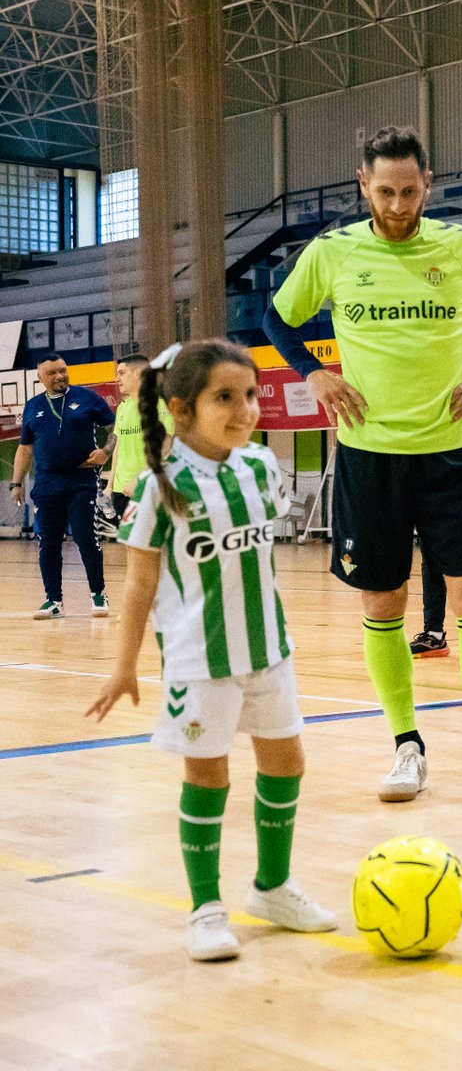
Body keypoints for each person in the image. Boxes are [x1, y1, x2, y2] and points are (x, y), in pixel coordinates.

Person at [262, 125, 462, 809]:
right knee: (382, 603)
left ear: (427, 183)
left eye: (409, 190)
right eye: (384, 191)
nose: (397, 203)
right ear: (364, 185)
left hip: (449, 453)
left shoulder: (461, 247)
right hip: (368, 456)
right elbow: (277, 319)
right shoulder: (332, 253)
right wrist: (314, 375)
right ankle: (406, 747)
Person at [86, 339, 336, 962]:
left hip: (270, 649)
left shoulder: (259, 468)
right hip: (200, 662)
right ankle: (204, 908)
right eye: (225, 397)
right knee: (210, 776)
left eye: (250, 395)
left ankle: (273, 887)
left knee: (287, 764)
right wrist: (123, 667)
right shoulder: (158, 487)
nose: (245, 409)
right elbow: (139, 582)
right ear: (180, 409)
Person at [410, 317, 462, 659]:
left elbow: (458, 387)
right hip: (427, 450)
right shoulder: (419, 328)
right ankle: (433, 633)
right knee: (431, 550)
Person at [9, 354, 115, 618]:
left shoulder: (88, 398)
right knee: (49, 542)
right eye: (52, 373)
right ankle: (53, 601)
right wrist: (16, 483)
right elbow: (24, 448)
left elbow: (115, 428)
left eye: (63, 371)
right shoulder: (33, 406)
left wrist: (106, 451)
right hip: (46, 484)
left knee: (85, 537)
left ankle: (98, 595)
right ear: (40, 378)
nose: (59, 377)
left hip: (81, 481)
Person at [109, 352, 175, 521]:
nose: (117, 379)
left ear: (137, 373)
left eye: (121, 373)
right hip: (120, 490)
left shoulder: (160, 404)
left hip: (147, 485)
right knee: (129, 543)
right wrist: (110, 485)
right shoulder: (123, 408)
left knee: (152, 544)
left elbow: (163, 446)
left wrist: (138, 479)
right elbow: (118, 447)